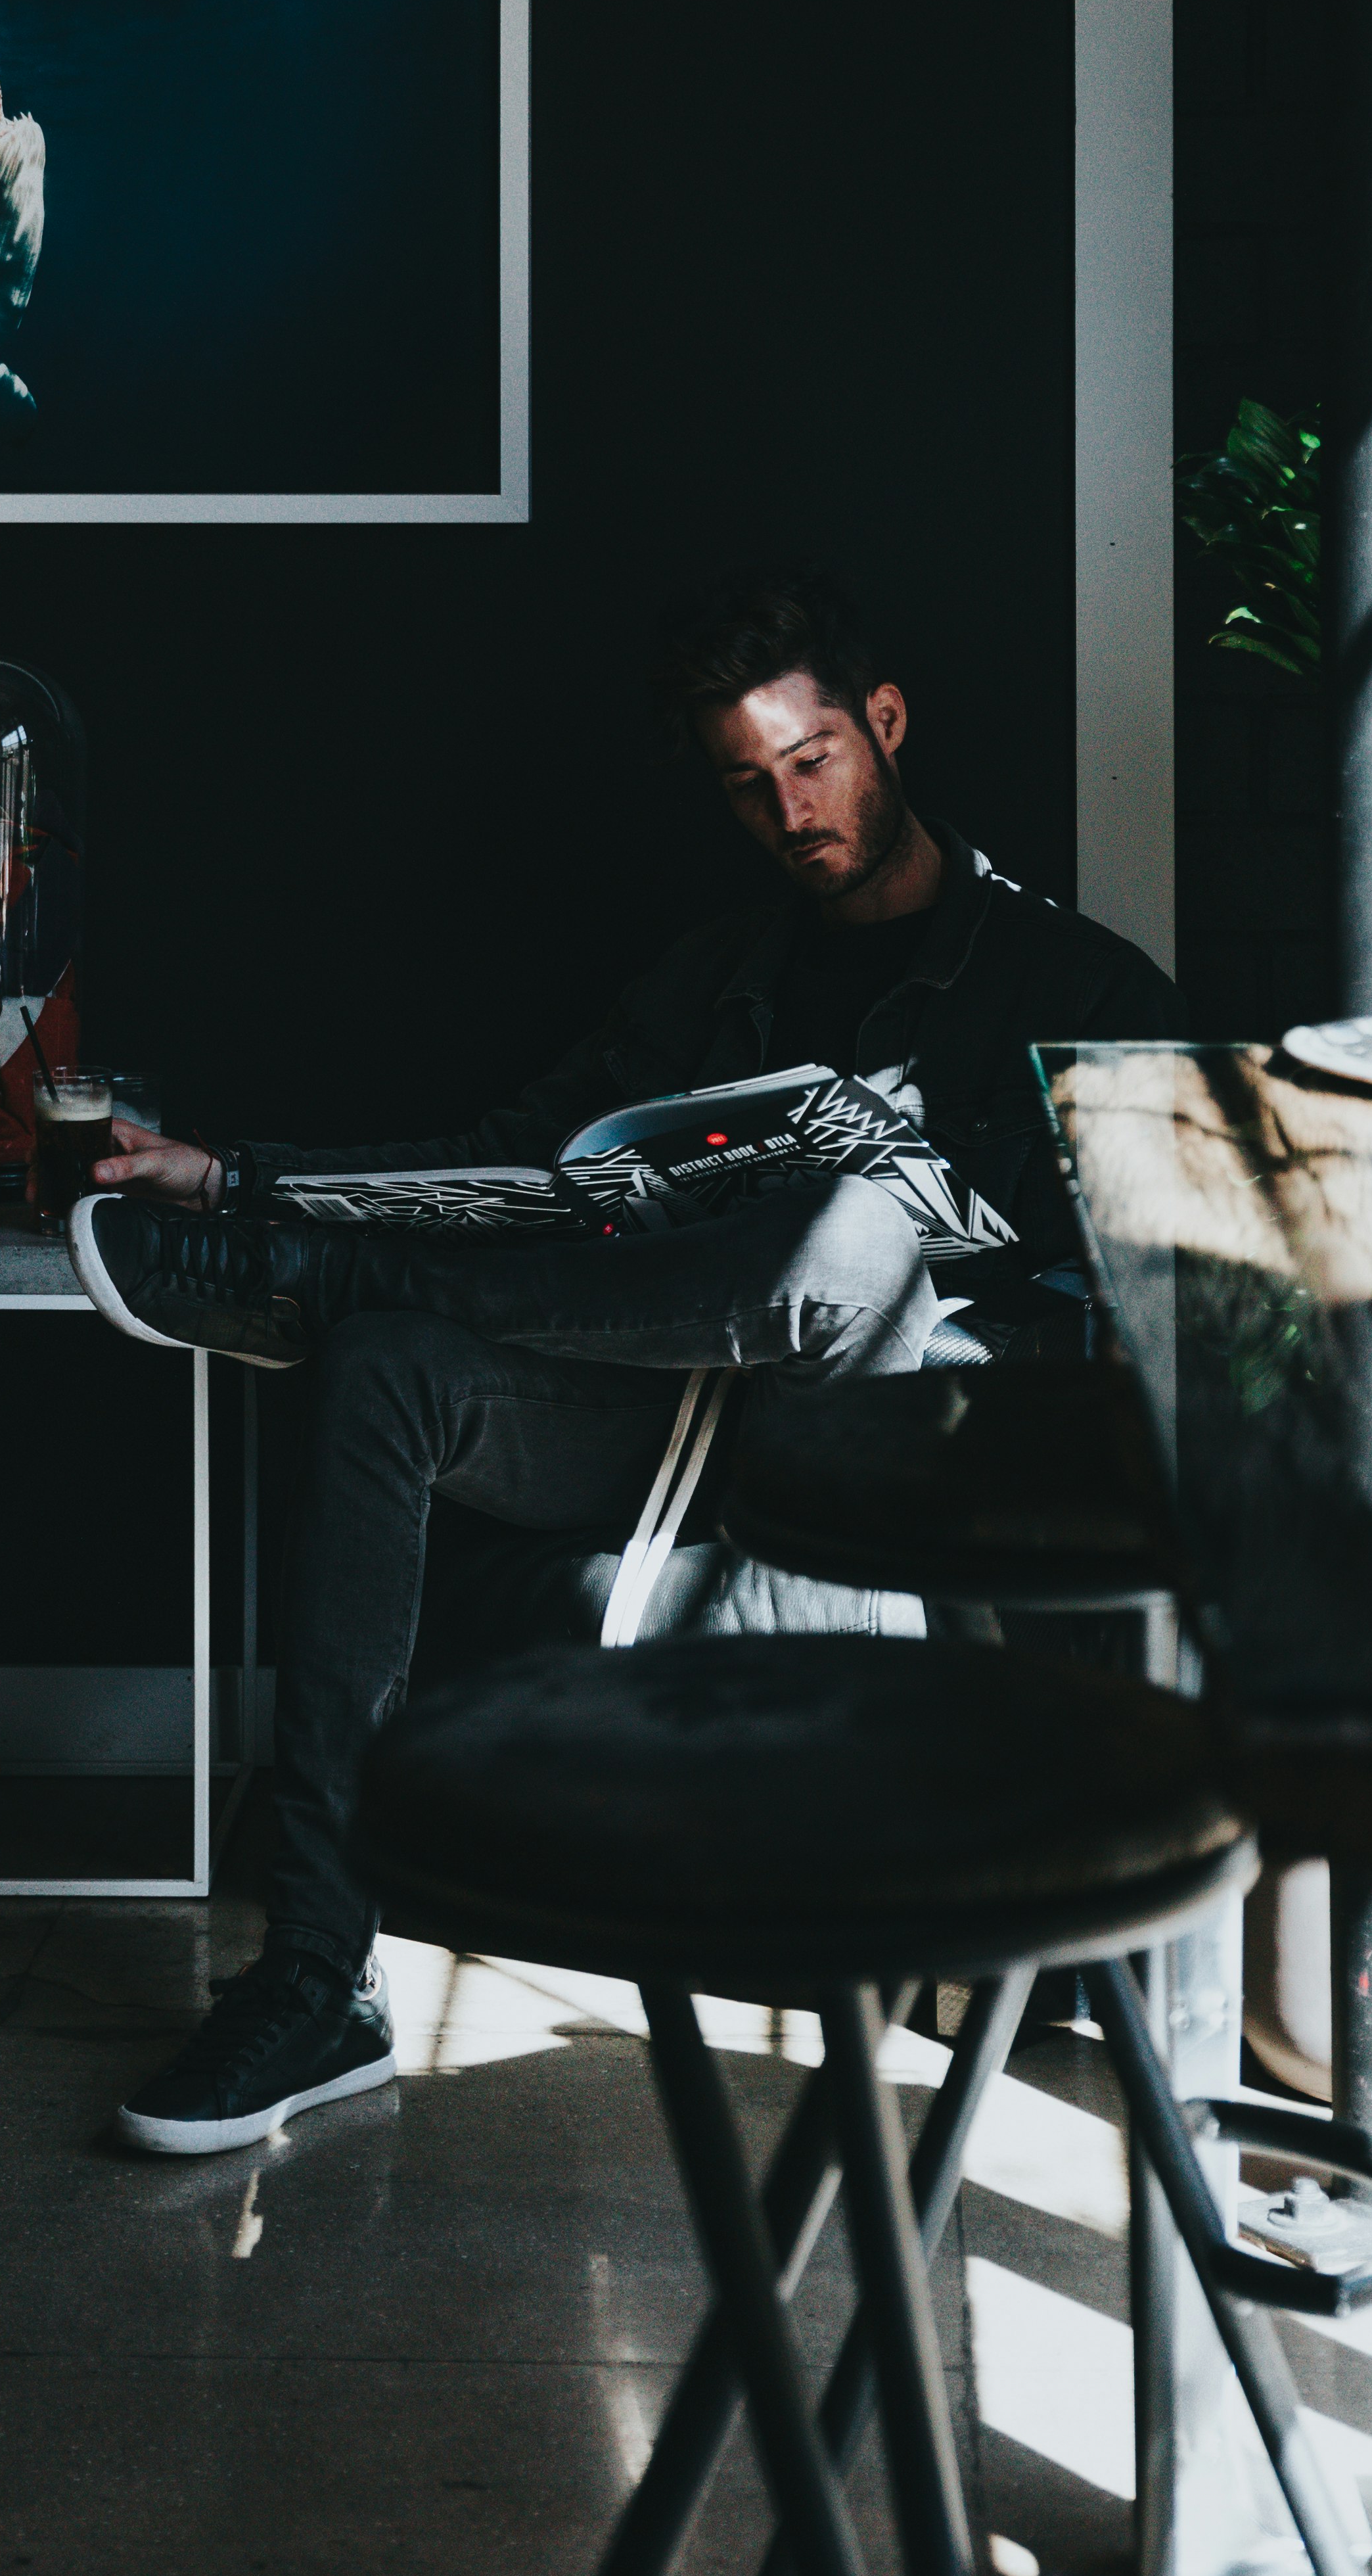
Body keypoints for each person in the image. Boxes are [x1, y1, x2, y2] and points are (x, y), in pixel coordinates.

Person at [69, 569, 1181, 2161]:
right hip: (661, 1410)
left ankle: (330, 1285)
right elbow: (503, 1159)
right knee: (387, 1363)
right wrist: (234, 1178)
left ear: (881, 725)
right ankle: (317, 1977)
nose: (787, 809)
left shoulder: (1078, 992)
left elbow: (1149, 1312)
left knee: (850, 1238)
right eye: (746, 784)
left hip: (895, 1460)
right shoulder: (710, 981)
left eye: (810, 761)